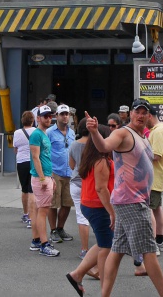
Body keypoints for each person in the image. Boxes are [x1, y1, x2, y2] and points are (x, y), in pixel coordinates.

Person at [85, 100, 163, 297]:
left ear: (149, 115)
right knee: (149, 250)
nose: (141, 116)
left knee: (117, 251)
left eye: (144, 112)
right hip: (131, 201)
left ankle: (104, 295)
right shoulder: (123, 133)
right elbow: (105, 146)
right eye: (137, 112)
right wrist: (95, 132)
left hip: (133, 199)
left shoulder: (144, 137)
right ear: (131, 114)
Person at [66, 123, 114, 296]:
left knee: (104, 243)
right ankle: (104, 290)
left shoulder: (91, 157)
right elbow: (102, 189)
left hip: (90, 204)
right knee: (106, 248)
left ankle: (77, 274)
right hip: (97, 206)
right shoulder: (101, 160)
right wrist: (112, 212)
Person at [28, 104, 59, 256]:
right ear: (38, 118)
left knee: (41, 210)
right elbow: (35, 157)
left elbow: (45, 157)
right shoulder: (36, 134)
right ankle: (44, 244)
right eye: (45, 116)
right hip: (41, 177)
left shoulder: (43, 134)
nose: (48, 119)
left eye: (50, 116)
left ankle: (37, 241)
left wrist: (50, 177)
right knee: (43, 212)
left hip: (45, 176)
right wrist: (42, 179)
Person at [47, 103, 75, 243]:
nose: (65, 116)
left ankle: (60, 228)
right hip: (55, 172)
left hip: (69, 172)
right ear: (56, 116)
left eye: (67, 114)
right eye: (62, 114)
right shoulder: (50, 132)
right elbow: (44, 152)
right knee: (53, 203)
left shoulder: (72, 132)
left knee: (67, 203)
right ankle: (52, 230)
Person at [146, 104, 163, 253]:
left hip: (153, 178)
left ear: (150, 116)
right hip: (157, 177)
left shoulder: (158, 131)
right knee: (156, 209)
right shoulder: (158, 130)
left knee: (149, 209)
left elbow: (156, 155)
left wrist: (139, 154)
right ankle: (159, 241)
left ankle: (153, 244)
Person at [68, 118, 91, 259]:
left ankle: (84, 250)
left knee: (81, 217)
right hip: (92, 185)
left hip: (76, 183)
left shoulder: (74, 145)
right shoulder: (95, 145)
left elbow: (71, 165)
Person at [13, 110, 35, 230]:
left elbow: (15, 149)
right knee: (32, 190)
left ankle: (25, 213)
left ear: (22, 120)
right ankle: (32, 217)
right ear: (32, 120)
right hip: (32, 161)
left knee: (24, 188)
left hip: (21, 162)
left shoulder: (17, 132)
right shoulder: (37, 131)